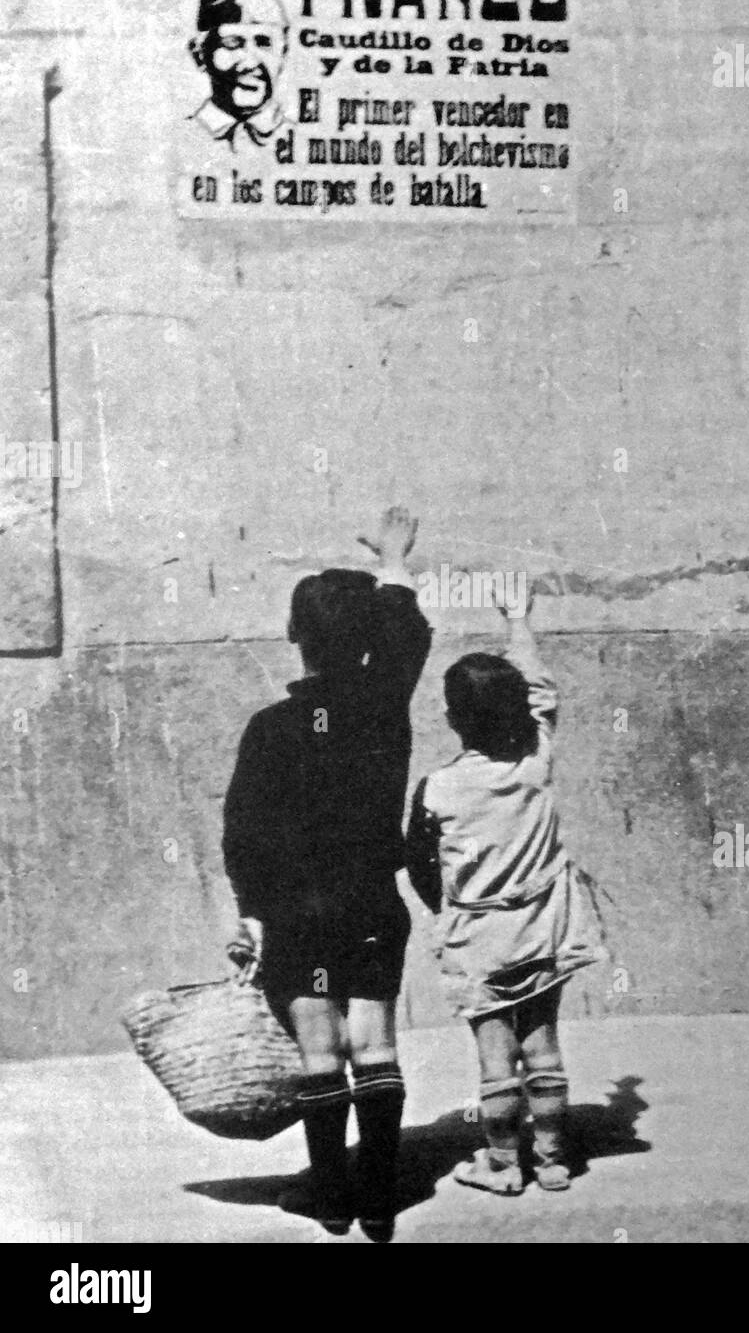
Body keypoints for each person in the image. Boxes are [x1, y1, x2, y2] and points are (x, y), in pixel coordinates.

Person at [223, 507, 431, 1242]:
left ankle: (332, 1197)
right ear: (368, 643)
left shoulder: (271, 730)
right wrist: (394, 561)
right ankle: (379, 1200)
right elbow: (408, 635)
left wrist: (252, 913)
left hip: (298, 914)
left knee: (321, 1054)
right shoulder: (383, 712)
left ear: (292, 636)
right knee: (373, 1044)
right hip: (372, 905)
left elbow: (243, 833)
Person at [406, 587, 606, 1195]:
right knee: (542, 1040)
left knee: (496, 1055)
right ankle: (551, 1160)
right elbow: (542, 691)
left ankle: (500, 1164)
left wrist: (449, 906)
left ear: (450, 718)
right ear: (521, 713)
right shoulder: (535, 761)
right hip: (548, 922)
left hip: (479, 935)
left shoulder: (437, 789)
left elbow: (418, 866)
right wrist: (518, 621)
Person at [187, 0, 291, 149]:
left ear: (283, 53)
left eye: (264, 43)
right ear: (199, 55)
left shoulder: (304, 140)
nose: (249, 61)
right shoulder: (176, 140)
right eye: (232, 44)